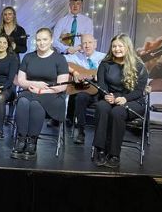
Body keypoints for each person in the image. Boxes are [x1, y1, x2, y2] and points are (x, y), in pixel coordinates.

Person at [92, 34, 149, 169]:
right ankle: (100, 150)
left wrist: (125, 99)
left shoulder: (139, 66)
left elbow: (139, 91)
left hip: (133, 100)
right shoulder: (105, 64)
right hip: (110, 97)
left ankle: (114, 154)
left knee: (117, 112)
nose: (117, 49)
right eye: (114, 46)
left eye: (120, 46)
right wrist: (107, 96)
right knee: (101, 107)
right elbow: (101, 86)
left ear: (127, 47)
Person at [13, 28, 69, 160]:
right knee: (23, 101)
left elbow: (62, 86)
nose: (41, 43)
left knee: (36, 103)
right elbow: (21, 81)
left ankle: (32, 142)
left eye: (45, 39)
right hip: (31, 90)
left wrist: (41, 91)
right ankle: (21, 139)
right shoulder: (28, 57)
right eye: (38, 40)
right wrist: (35, 84)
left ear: (51, 40)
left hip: (52, 94)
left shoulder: (59, 59)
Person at [64, 33, 106, 144]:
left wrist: (98, 76)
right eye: (84, 43)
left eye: (90, 43)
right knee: (80, 97)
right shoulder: (76, 57)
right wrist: (74, 72)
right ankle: (80, 132)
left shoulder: (104, 57)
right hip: (86, 90)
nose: (87, 46)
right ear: (81, 46)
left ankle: (101, 137)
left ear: (95, 44)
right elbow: (58, 60)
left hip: (100, 91)